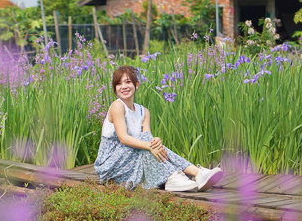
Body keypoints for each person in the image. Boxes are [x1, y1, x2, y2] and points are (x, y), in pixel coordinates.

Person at [94, 65, 223, 192]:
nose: (124, 87)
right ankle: (188, 174)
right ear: (115, 89)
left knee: (152, 142)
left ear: (136, 84)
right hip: (111, 166)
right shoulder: (118, 106)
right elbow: (123, 138)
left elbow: (148, 138)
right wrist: (150, 145)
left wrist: (155, 141)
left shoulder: (143, 111)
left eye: (128, 82)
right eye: (119, 84)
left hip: (130, 162)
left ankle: (188, 175)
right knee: (148, 143)